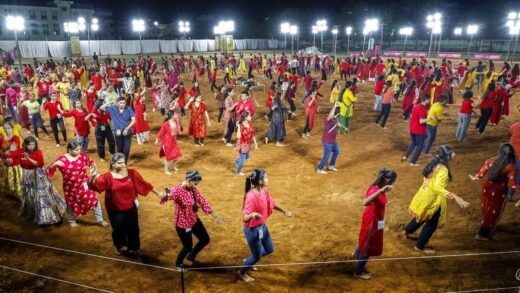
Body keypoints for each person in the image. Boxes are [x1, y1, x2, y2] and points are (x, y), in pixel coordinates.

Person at [90, 152, 163, 256]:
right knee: (119, 229)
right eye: (120, 163)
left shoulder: (132, 173)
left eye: (124, 162)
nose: (123, 165)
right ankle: (118, 245)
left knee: (133, 228)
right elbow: (96, 186)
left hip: (131, 207)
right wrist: (93, 177)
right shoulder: (108, 177)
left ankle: (134, 246)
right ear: (113, 164)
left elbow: (144, 184)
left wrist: (159, 193)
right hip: (115, 209)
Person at [404, 146, 469, 253]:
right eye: (452, 153)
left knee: (423, 214)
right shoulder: (443, 170)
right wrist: (455, 197)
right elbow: (437, 188)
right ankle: (419, 246)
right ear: (447, 156)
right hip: (433, 199)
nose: (454, 154)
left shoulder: (433, 163)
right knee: (432, 223)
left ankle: (407, 231)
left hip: (423, 194)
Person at [160, 170, 224, 269]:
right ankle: (178, 264)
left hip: (193, 219)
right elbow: (167, 197)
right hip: (182, 224)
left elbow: (202, 201)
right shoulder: (177, 190)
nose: (195, 186)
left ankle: (191, 256)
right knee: (187, 247)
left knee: (205, 239)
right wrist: (165, 195)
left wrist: (214, 215)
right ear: (189, 180)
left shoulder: (193, 189)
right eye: (194, 184)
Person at [237, 169, 292, 282]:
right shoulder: (250, 196)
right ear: (260, 181)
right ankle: (241, 272)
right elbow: (244, 217)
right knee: (257, 256)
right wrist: (252, 215)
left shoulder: (264, 190)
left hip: (262, 227)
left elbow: (271, 203)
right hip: (252, 230)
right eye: (266, 177)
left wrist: (284, 211)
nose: (268, 179)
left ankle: (249, 260)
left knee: (269, 249)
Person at [46, 141, 108, 228]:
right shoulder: (62, 159)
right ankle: (72, 220)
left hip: (84, 185)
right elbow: (48, 170)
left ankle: (100, 219)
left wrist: (94, 170)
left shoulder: (82, 156)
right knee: (71, 203)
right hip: (70, 187)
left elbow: (91, 163)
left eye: (79, 149)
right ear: (69, 150)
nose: (79, 152)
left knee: (94, 200)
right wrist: (54, 165)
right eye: (76, 150)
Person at [353, 167, 397, 280]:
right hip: (372, 222)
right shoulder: (376, 190)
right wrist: (380, 192)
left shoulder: (376, 186)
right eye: (393, 181)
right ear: (387, 181)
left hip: (375, 220)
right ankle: (358, 272)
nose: (394, 183)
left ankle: (357, 251)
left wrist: (382, 191)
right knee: (368, 246)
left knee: (365, 240)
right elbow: (365, 202)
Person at [469, 144, 519, 240]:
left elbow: (481, 174)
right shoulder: (511, 167)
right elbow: (511, 185)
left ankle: (488, 225)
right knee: (494, 211)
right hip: (499, 191)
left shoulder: (490, 160)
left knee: (487, 207)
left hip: (487, 187)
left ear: (499, 152)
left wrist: (476, 177)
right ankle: (482, 233)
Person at [19, 136, 66, 226]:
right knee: (30, 195)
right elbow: (21, 163)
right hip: (27, 176)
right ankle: (33, 213)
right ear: (25, 145)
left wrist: (28, 158)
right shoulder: (21, 152)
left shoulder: (38, 152)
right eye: (30, 145)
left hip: (38, 175)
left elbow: (40, 164)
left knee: (43, 196)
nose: (32, 146)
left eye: (34, 144)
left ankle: (47, 217)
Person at [101, 97, 135, 163]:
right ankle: (119, 162)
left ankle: (124, 163)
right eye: (121, 103)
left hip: (127, 132)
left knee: (126, 149)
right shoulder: (113, 108)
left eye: (124, 103)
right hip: (117, 132)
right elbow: (101, 108)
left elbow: (134, 120)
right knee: (119, 148)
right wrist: (110, 102)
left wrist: (127, 128)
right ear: (117, 103)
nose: (123, 104)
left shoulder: (129, 109)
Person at [403, 95, 431, 166]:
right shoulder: (422, 108)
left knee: (413, 143)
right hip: (419, 130)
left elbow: (412, 116)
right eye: (429, 100)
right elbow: (421, 121)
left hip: (412, 128)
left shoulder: (416, 106)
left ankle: (405, 156)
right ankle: (413, 162)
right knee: (420, 146)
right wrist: (429, 118)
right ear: (427, 100)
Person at [316, 103, 341, 174]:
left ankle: (331, 166)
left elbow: (337, 124)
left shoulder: (335, 119)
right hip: (327, 142)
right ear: (337, 113)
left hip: (333, 141)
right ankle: (319, 168)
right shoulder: (328, 120)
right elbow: (330, 115)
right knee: (327, 155)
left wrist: (343, 127)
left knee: (337, 151)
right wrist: (334, 107)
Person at [155, 110, 182, 175]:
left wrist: (176, 138)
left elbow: (174, 131)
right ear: (172, 116)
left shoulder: (174, 121)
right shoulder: (166, 124)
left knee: (177, 155)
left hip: (173, 141)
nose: (176, 115)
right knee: (168, 157)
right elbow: (161, 132)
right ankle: (166, 170)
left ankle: (173, 166)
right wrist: (157, 140)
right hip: (167, 142)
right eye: (175, 114)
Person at [0, 121, 23, 199]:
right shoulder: (1, 139)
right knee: (7, 179)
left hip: (14, 163)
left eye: (9, 128)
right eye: (5, 128)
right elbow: (1, 150)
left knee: (16, 179)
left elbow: (17, 151)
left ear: (12, 128)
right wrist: (4, 157)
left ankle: (18, 193)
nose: (7, 130)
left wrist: (11, 158)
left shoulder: (15, 138)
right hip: (5, 162)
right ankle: (9, 192)